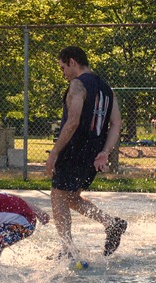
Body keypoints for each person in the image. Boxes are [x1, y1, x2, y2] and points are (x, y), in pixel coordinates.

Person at [45, 46, 127, 260]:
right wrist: (104, 152)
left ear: (72, 62)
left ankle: (67, 250)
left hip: (75, 148)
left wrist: (54, 153)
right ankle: (111, 223)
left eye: (63, 67)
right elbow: (116, 124)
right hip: (93, 150)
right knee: (71, 197)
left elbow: (72, 122)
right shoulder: (107, 89)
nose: (63, 72)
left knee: (58, 196)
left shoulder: (78, 84)